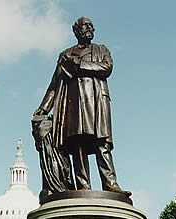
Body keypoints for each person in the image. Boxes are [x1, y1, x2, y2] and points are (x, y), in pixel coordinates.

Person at [34, 16, 131, 197]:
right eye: (84, 26)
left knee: (102, 143)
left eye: (91, 26)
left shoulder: (102, 50)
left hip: (96, 102)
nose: (89, 29)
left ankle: (111, 184)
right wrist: (44, 107)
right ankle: (83, 186)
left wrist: (79, 65)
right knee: (78, 145)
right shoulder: (66, 55)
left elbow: (106, 68)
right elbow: (55, 84)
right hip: (74, 105)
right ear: (75, 30)